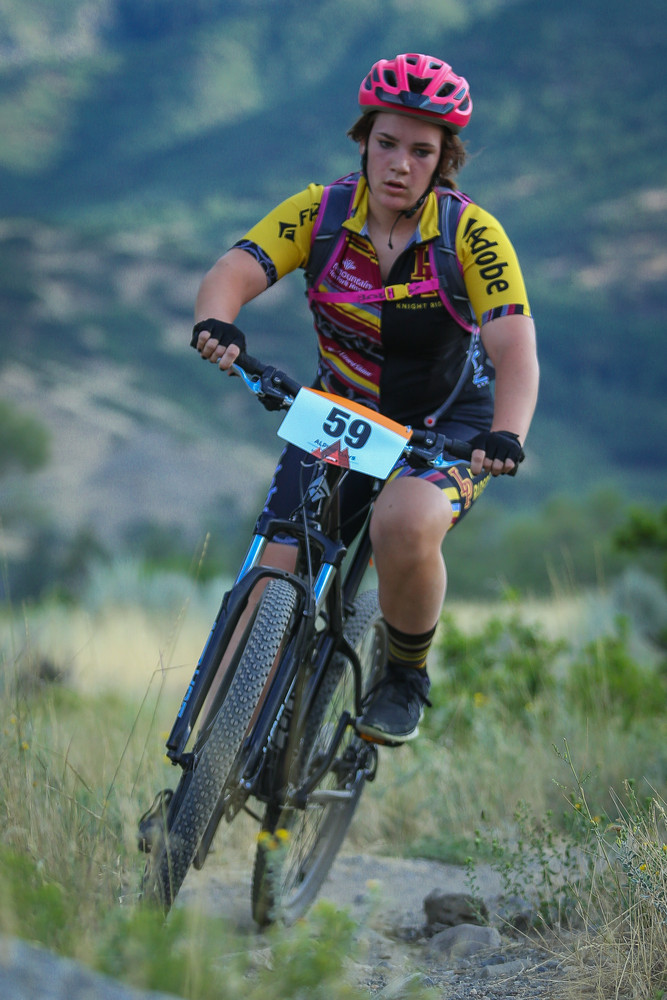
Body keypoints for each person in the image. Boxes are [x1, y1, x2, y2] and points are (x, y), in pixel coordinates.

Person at [191, 53, 539, 745]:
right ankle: (210, 759)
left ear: (443, 160)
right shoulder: (319, 213)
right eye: (386, 143)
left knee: (403, 524)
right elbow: (234, 268)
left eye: (421, 151)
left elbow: (514, 346)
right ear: (362, 141)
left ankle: (404, 674)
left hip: (447, 424)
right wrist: (217, 320)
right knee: (273, 567)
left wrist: (507, 432)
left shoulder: (470, 233)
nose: (399, 165)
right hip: (342, 413)